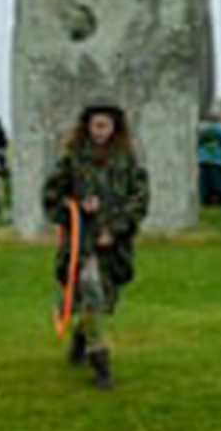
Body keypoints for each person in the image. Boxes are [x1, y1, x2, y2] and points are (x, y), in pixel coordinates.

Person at [42, 100, 150, 388]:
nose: (100, 131)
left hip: (115, 245)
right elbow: (51, 197)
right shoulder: (73, 159)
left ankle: (80, 339)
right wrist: (75, 207)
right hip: (83, 243)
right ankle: (101, 364)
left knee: (103, 299)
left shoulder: (127, 159)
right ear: (86, 127)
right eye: (95, 125)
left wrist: (116, 229)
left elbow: (140, 199)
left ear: (115, 127)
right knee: (90, 291)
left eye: (106, 125)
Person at [197, 112, 221, 207]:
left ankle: (204, 199)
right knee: (218, 182)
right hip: (218, 159)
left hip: (203, 159)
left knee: (204, 183)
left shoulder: (201, 129)